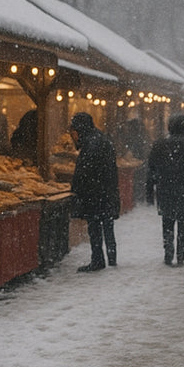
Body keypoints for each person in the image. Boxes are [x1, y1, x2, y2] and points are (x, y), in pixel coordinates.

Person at [145, 113, 184, 266]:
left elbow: (151, 169)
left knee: (167, 223)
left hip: (165, 189)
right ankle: (181, 254)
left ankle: (168, 252)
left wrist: (149, 190)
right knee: (183, 224)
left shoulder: (159, 144)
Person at [68, 112, 120, 271]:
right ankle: (111, 258)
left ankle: (97, 260)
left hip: (95, 194)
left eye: (74, 132)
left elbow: (85, 172)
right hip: (106, 191)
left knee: (95, 227)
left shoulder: (91, 144)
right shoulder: (100, 139)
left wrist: (77, 189)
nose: (73, 136)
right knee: (107, 225)